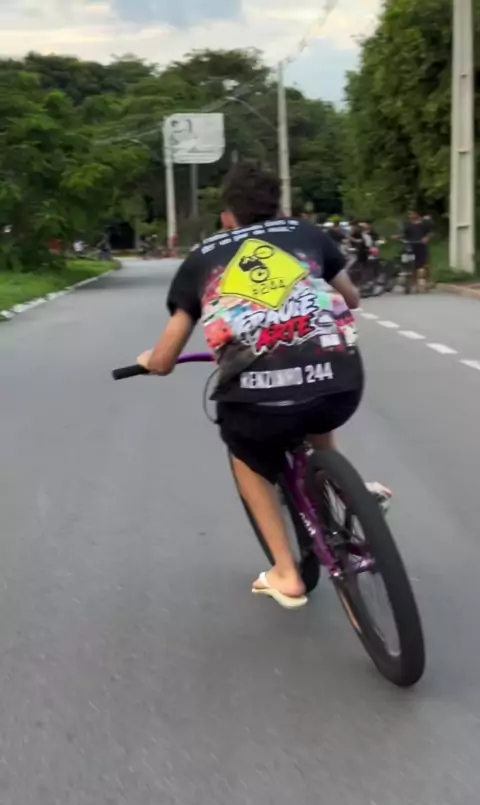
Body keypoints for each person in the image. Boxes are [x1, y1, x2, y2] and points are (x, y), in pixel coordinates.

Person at [136, 163, 390, 609]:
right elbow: (351, 298)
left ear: (227, 215)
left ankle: (286, 573)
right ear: (278, 207)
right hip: (342, 384)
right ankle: (341, 486)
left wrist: (150, 362)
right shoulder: (306, 234)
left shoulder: (204, 256)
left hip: (258, 405)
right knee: (316, 391)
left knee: (246, 454)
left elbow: (165, 357)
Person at [402, 211, 432, 285]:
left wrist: (427, 238)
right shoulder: (408, 224)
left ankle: (428, 280)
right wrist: (400, 237)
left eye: (412, 214)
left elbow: (431, 232)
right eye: (409, 215)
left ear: (417, 214)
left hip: (421, 245)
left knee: (424, 263)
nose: (410, 216)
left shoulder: (424, 223)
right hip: (412, 244)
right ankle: (413, 281)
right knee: (412, 264)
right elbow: (405, 234)